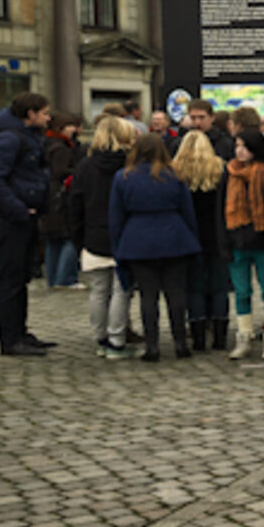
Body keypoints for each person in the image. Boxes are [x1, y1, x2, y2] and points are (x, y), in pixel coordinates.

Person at [109, 133, 201, 361]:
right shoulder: (175, 176)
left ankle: (152, 346)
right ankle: (180, 342)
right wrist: (192, 239)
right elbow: (188, 212)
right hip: (174, 235)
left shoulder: (123, 177)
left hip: (138, 237)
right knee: (176, 293)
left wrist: (118, 245)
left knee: (147, 296)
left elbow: (115, 217)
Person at [0, 92, 56, 357]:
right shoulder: (10, 138)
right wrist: (18, 209)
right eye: (44, 113)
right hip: (11, 219)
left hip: (25, 216)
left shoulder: (27, 136)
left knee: (21, 277)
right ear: (30, 114)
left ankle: (20, 332)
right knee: (9, 279)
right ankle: (10, 339)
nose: (48, 117)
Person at [68, 114, 139, 359]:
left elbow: (74, 204)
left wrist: (78, 237)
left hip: (93, 234)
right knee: (122, 290)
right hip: (125, 234)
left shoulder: (85, 166)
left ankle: (100, 338)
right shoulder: (130, 165)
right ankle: (117, 339)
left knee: (99, 290)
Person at [223, 129, 264, 360]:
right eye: (237, 145)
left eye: (244, 146)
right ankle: (244, 336)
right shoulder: (229, 172)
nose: (239, 150)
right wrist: (224, 241)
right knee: (241, 291)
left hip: (263, 240)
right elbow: (221, 209)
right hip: (237, 239)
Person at [173, 130, 230, 350]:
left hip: (189, 233)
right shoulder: (220, 168)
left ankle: (197, 337)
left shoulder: (176, 171)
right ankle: (220, 337)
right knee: (218, 286)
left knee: (194, 287)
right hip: (216, 233)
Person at [41, 110, 85, 288]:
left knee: (54, 240)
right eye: (70, 126)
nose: (73, 129)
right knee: (68, 238)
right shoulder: (61, 148)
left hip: (50, 197)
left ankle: (53, 278)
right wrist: (78, 172)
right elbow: (60, 172)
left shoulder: (48, 144)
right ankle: (65, 278)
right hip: (60, 198)